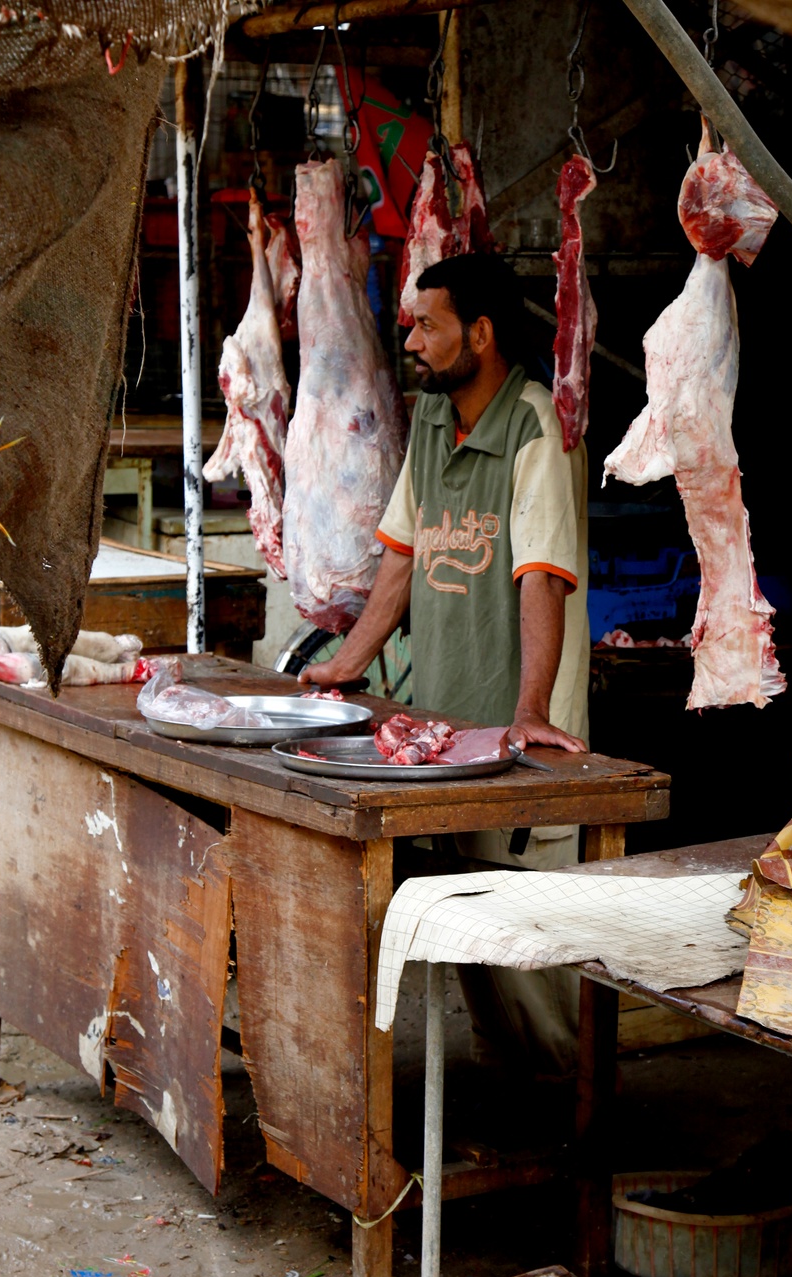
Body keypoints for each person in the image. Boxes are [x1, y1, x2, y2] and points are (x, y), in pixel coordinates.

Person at [302, 251, 590, 1072]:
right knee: (476, 952)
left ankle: (577, 1136)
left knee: (537, 961)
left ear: (483, 333)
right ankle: (516, 1117)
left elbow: (542, 576)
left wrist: (532, 710)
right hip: (449, 736)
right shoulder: (431, 423)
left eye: (428, 325)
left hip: (526, 744)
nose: (412, 339)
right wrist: (346, 662)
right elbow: (400, 555)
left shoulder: (534, 426)